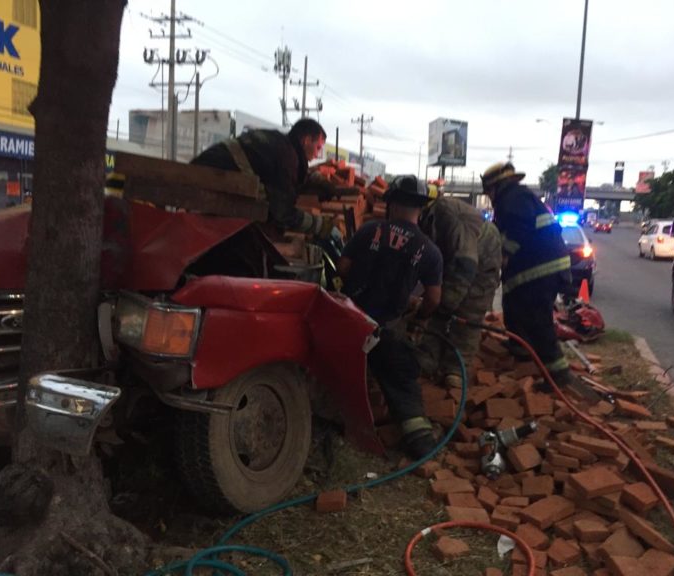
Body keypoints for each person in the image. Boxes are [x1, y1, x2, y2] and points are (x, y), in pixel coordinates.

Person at [337, 175, 443, 459]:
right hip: (386, 333)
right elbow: (433, 299)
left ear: (391, 203)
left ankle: (335, 430)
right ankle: (421, 445)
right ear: (421, 208)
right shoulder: (430, 251)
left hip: (347, 323)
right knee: (401, 383)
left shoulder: (368, 231)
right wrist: (419, 316)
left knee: (334, 378)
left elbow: (344, 268)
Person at [480, 162, 575, 388]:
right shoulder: (516, 198)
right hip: (533, 270)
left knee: (537, 320)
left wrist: (503, 254)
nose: (490, 197)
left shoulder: (513, 198)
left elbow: (517, 229)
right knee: (512, 306)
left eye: (489, 192)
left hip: (540, 271)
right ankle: (520, 354)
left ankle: (559, 376)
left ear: (497, 186)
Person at [416, 184, 504, 388]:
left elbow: (465, 263)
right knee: (438, 309)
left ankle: (455, 372)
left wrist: (445, 303)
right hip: (458, 257)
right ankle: (427, 363)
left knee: (467, 316)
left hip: (483, 257)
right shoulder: (427, 217)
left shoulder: (446, 214)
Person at [190, 118, 335, 238]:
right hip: (206, 187)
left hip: (201, 177)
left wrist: (317, 182)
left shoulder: (280, 145)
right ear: (307, 140)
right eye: (318, 148)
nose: (317, 155)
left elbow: (286, 180)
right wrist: (321, 225)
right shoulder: (285, 157)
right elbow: (283, 214)